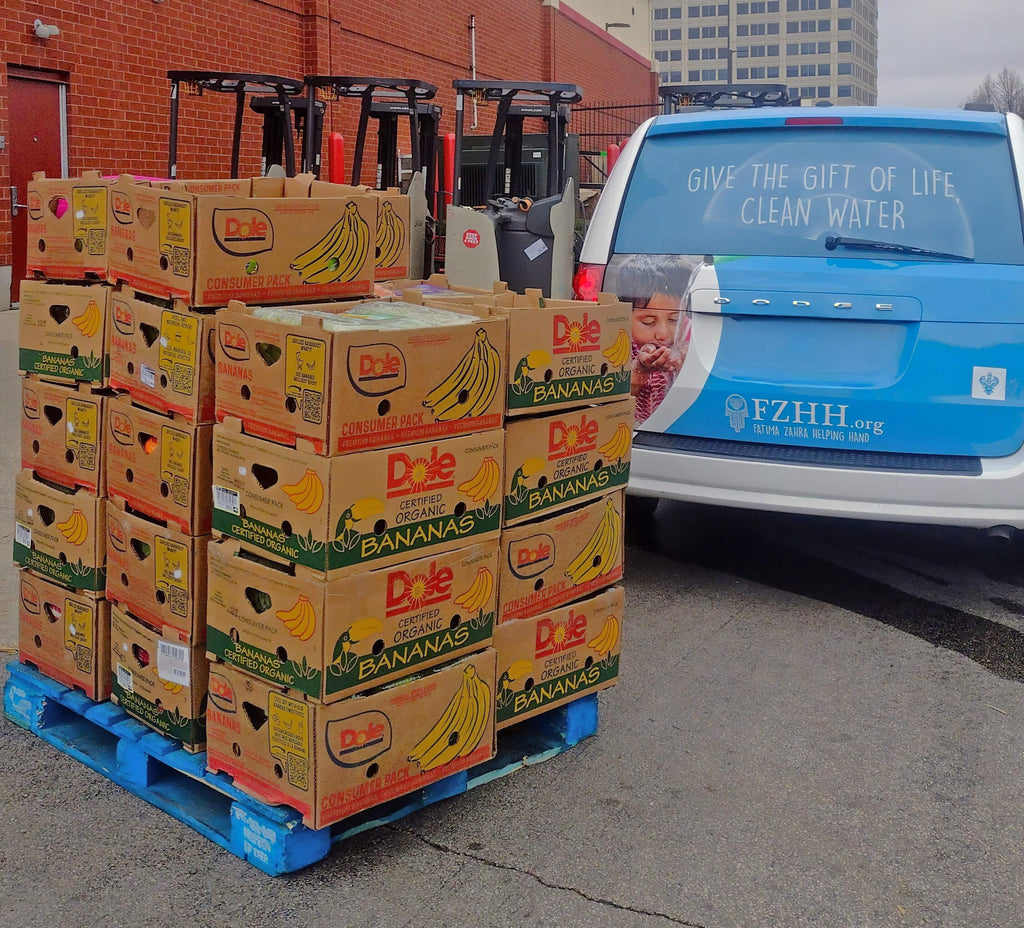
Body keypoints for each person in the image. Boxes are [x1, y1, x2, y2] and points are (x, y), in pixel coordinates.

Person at [612, 255, 696, 425]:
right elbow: (611, 405)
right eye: (648, 322)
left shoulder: (694, 341)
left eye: (674, 320)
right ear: (624, 316)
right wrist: (639, 370)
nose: (663, 334)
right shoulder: (617, 345)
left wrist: (689, 370)